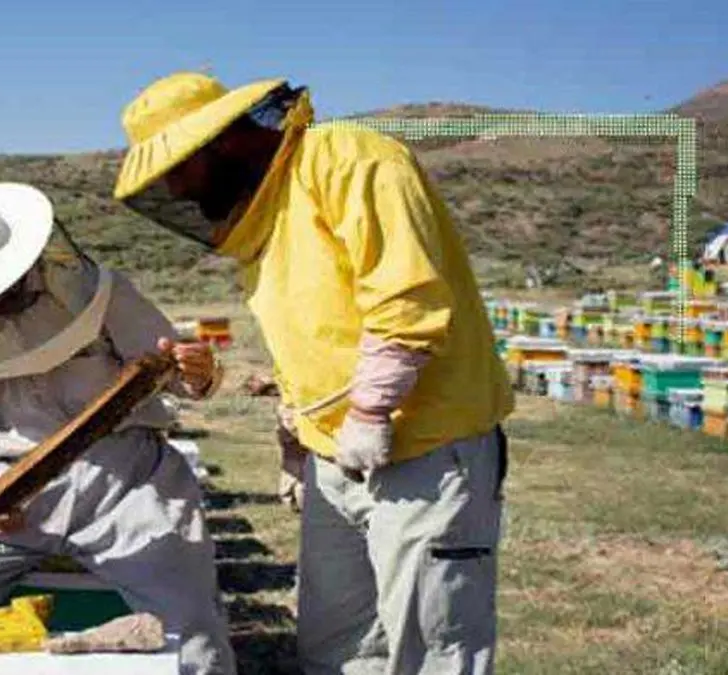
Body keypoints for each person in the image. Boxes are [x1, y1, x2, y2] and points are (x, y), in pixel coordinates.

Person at [112, 72, 515, 675]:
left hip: (427, 449)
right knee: (339, 648)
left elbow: (404, 296)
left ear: (219, 142)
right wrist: (296, 441)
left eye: (177, 168)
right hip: (336, 460)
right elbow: (310, 342)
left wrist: (372, 410)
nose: (175, 188)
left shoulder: (347, 158)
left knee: (432, 648)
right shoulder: (266, 218)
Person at [0, 182, 237, 675]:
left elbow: (177, 374)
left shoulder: (102, 295)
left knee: (188, 629)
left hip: (128, 485)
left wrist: (199, 373)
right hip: (14, 497)